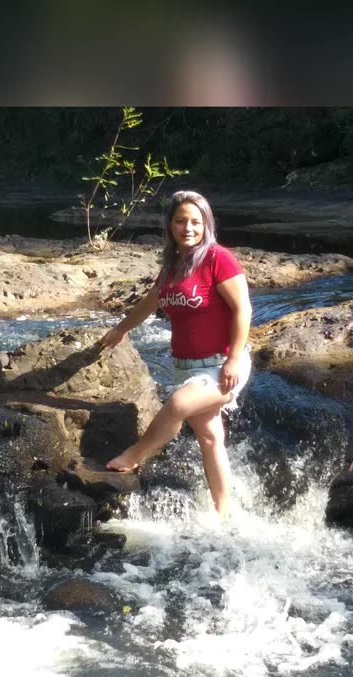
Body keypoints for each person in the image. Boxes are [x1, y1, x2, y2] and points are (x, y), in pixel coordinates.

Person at [98, 190, 252, 519]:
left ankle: (135, 454)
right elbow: (149, 303)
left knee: (178, 405)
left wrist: (235, 359)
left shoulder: (218, 258)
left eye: (196, 221)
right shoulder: (172, 266)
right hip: (185, 368)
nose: (188, 228)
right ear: (170, 225)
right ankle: (224, 514)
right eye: (181, 221)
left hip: (222, 366)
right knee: (210, 439)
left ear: (206, 225)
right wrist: (121, 330)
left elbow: (243, 309)